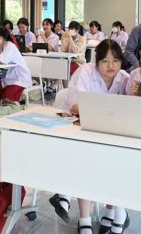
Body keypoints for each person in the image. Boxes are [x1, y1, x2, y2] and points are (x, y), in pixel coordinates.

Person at [51, 40, 131, 234]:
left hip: (107, 134)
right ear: (97, 61)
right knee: (85, 159)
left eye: (116, 61)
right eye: (105, 61)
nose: (111, 66)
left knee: (114, 162)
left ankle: (110, 211)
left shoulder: (125, 78)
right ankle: (84, 216)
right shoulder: (85, 71)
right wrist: (108, 112)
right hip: (77, 129)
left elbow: (130, 110)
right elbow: (76, 106)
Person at [0, 28, 32, 103]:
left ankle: (20, 100)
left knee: (5, 99)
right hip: (8, 78)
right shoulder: (1, 46)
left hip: (19, 78)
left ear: (2, 38)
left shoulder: (10, 46)